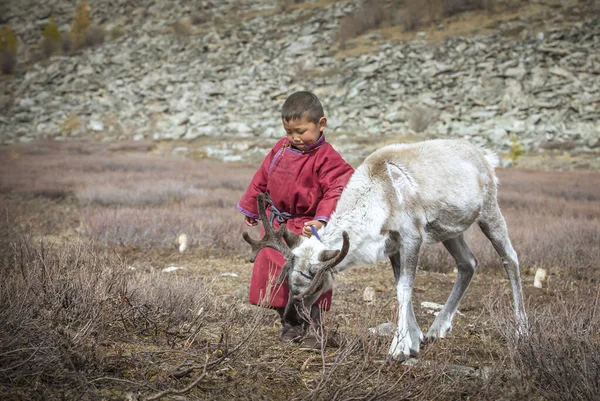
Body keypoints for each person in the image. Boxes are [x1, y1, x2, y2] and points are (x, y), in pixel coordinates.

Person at [237, 91, 354, 351]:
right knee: (274, 269)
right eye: (289, 132)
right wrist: (251, 207)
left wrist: (321, 220)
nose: (294, 138)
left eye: (301, 131)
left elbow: (338, 187)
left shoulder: (327, 158)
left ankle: (315, 327)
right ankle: (289, 324)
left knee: (310, 274)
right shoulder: (280, 149)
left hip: (307, 228)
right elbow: (262, 178)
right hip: (278, 227)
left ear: (321, 124)